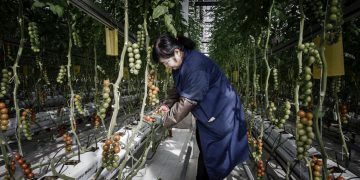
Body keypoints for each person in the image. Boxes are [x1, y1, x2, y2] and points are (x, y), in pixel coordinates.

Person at [152, 33, 249, 180]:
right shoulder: (181, 63)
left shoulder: (195, 67)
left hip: (220, 113)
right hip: (209, 113)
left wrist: (165, 120)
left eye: (166, 62)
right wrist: (166, 105)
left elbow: (186, 102)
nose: (166, 66)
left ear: (177, 52)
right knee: (205, 150)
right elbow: (178, 87)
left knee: (216, 156)